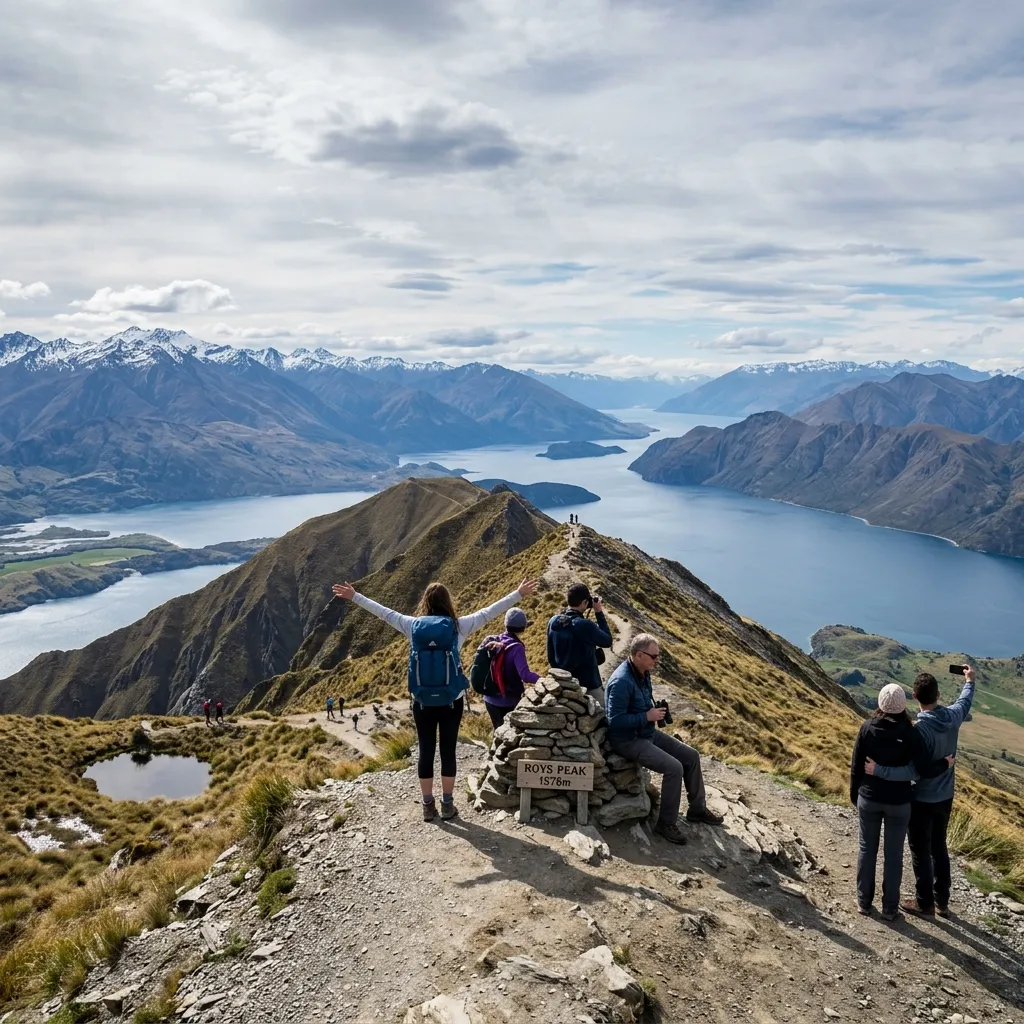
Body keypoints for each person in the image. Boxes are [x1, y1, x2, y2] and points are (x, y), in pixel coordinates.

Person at [332, 577, 540, 822]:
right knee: (448, 751)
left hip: (422, 702)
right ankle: (448, 805)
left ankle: (428, 806)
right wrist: (517, 593)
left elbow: (384, 613)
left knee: (426, 751)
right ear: (447, 602)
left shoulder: (413, 626)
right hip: (452, 700)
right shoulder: (458, 626)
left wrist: (355, 596)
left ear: (425, 602)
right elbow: (488, 612)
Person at [868, 666, 975, 918]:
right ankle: (942, 902)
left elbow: (915, 770)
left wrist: (879, 770)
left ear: (915, 697)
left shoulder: (917, 731)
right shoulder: (954, 716)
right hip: (945, 796)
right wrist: (969, 680)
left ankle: (924, 903)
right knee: (939, 847)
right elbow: (965, 699)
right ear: (938, 695)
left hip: (922, 799)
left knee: (920, 850)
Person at [605, 633, 723, 844]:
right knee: (674, 768)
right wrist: (646, 716)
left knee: (691, 756)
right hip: (627, 740)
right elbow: (615, 721)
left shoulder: (642, 672)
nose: (657, 660)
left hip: (645, 732)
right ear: (639, 655)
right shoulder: (622, 681)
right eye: (654, 656)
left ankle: (697, 810)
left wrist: (652, 712)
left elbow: (638, 706)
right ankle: (665, 824)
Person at [547, 583, 613, 695]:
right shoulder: (585, 625)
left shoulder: (553, 621)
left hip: (562, 682)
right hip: (589, 685)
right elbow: (607, 641)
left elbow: (550, 655)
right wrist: (599, 613)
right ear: (584, 602)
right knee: (603, 711)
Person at [482, 607, 542, 729]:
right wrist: (543, 679)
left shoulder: (496, 640)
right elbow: (525, 675)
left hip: (489, 697)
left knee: (497, 732)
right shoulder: (517, 647)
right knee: (509, 735)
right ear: (523, 628)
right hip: (507, 700)